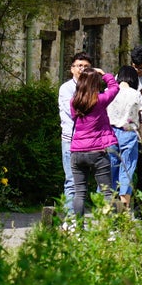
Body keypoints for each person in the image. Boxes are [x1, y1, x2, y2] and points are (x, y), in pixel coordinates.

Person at [66, 66, 121, 217]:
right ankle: (111, 229)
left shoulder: (74, 102)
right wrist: (105, 74)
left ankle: (78, 228)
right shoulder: (100, 100)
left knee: (80, 193)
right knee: (106, 192)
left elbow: (73, 118)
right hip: (97, 151)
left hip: (77, 152)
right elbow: (115, 88)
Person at [109, 62, 142, 203]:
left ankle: (107, 205)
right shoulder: (136, 95)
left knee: (110, 167)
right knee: (127, 168)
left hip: (110, 133)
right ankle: (124, 205)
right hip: (129, 133)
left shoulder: (109, 92)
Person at [57, 51, 93, 205]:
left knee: (87, 182)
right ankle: (71, 222)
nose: (82, 69)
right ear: (72, 69)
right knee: (72, 180)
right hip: (71, 139)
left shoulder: (94, 88)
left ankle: (80, 219)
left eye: (86, 67)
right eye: (79, 66)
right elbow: (73, 112)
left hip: (91, 140)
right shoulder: (66, 88)